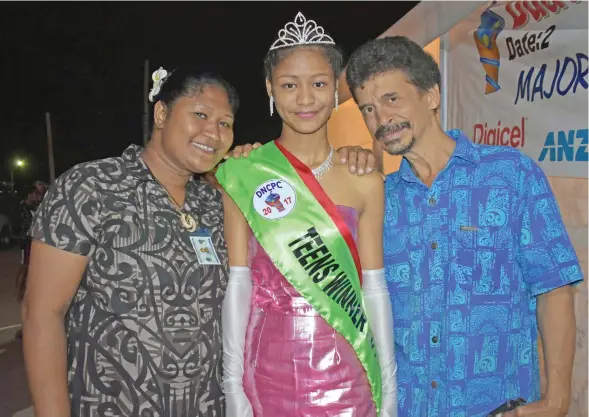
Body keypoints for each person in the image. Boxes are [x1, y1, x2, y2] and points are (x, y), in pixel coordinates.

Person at [335, 36, 582, 417]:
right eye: (368, 108)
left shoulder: (510, 174)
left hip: (498, 408)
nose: (380, 119)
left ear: (431, 95)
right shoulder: (380, 200)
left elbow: (554, 288)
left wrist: (558, 400)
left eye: (392, 99)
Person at [22, 68, 239, 417]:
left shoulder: (216, 205)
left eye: (226, 123)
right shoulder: (92, 187)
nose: (213, 132)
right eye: (200, 114)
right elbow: (43, 315)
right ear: (162, 113)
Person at [216, 12, 397, 417]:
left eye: (318, 84)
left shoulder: (365, 178)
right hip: (267, 368)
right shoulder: (244, 174)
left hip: (349, 367)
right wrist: (233, 386)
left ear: (337, 88)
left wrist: (390, 392)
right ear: (269, 89)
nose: (304, 99)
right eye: (289, 85)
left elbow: (374, 290)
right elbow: (239, 284)